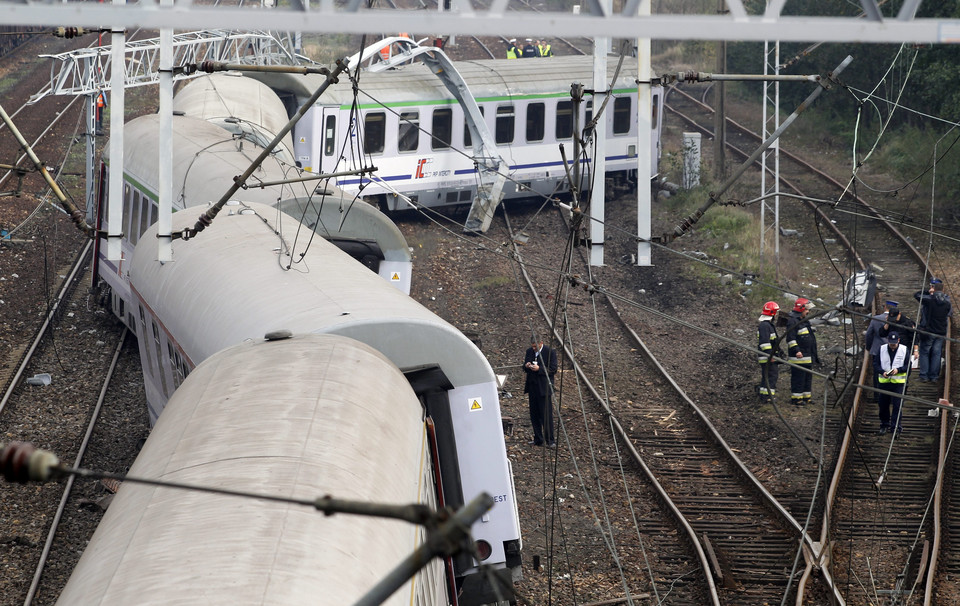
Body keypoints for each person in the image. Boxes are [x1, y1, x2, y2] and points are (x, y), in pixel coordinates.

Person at [914, 278, 952, 382]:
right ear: (943, 289)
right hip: (941, 331)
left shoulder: (929, 300)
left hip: (929, 330)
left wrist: (928, 291)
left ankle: (924, 375)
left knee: (925, 352)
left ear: (934, 289)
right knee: (937, 353)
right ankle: (934, 376)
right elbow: (949, 313)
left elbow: (917, 295)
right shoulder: (947, 301)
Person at [523, 338, 558, 447]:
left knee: (546, 415)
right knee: (534, 414)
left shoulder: (550, 352)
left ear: (541, 343)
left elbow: (553, 369)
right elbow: (524, 367)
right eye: (532, 347)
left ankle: (550, 440)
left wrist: (539, 369)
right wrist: (527, 365)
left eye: (535, 347)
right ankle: (538, 439)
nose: (534, 349)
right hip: (533, 387)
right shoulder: (529, 351)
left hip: (544, 388)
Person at [785, 297, 818, 406]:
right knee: (798, 378)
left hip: (807, 355)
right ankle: (796, 399)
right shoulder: (793, 321)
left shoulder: (803, 320)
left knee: (807, 378)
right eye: (806, 310)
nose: (808, 312)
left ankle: (806, 397)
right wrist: (797, 351)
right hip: (798, 357)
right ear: (801, 309)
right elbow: (790, 339)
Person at [864, 300, 897, 402]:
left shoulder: (876, 319)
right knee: (892, 371)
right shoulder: (897, 320)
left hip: (877, 350)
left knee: (877, 373)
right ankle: (890, 396)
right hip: (892, 350)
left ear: (884, 307)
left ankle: (877, 396)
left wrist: (869, 347)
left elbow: (869, 334)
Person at [877, 331, 909, 436]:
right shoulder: (881, 349)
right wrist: (882, 372)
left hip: (898, 384)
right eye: (891, 344)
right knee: (883, 406)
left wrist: (898, 370)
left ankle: (896, 428)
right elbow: (875, 363)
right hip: (884, 383)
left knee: (897, 406)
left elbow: (908, 366)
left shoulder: (904, 350)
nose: (893, 346)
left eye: (894, 344)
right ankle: (884, 425)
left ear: (898, 341)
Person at [757, 301, 781, 404]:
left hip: (768, 356)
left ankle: (764, 396)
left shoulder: (768, 325)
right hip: (767, 357)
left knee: (767, 376)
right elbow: (764, 343)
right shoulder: (765, 326)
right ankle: (767, 397)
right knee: (771, 376)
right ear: (773, 313)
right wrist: (770, 355)